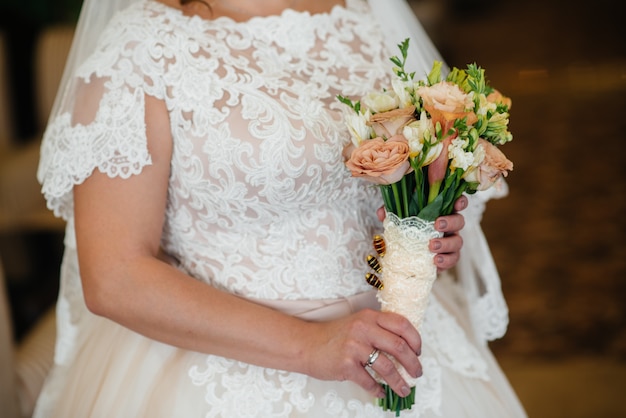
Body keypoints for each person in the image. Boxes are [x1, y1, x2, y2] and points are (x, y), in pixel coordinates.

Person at [34, 0, 527, 416]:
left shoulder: (362, 15)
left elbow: (358, 208)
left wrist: (417, 239)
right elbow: (115, 275)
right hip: (223, 376)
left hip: (394, 346)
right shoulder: (140, 47)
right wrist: (311, 345)